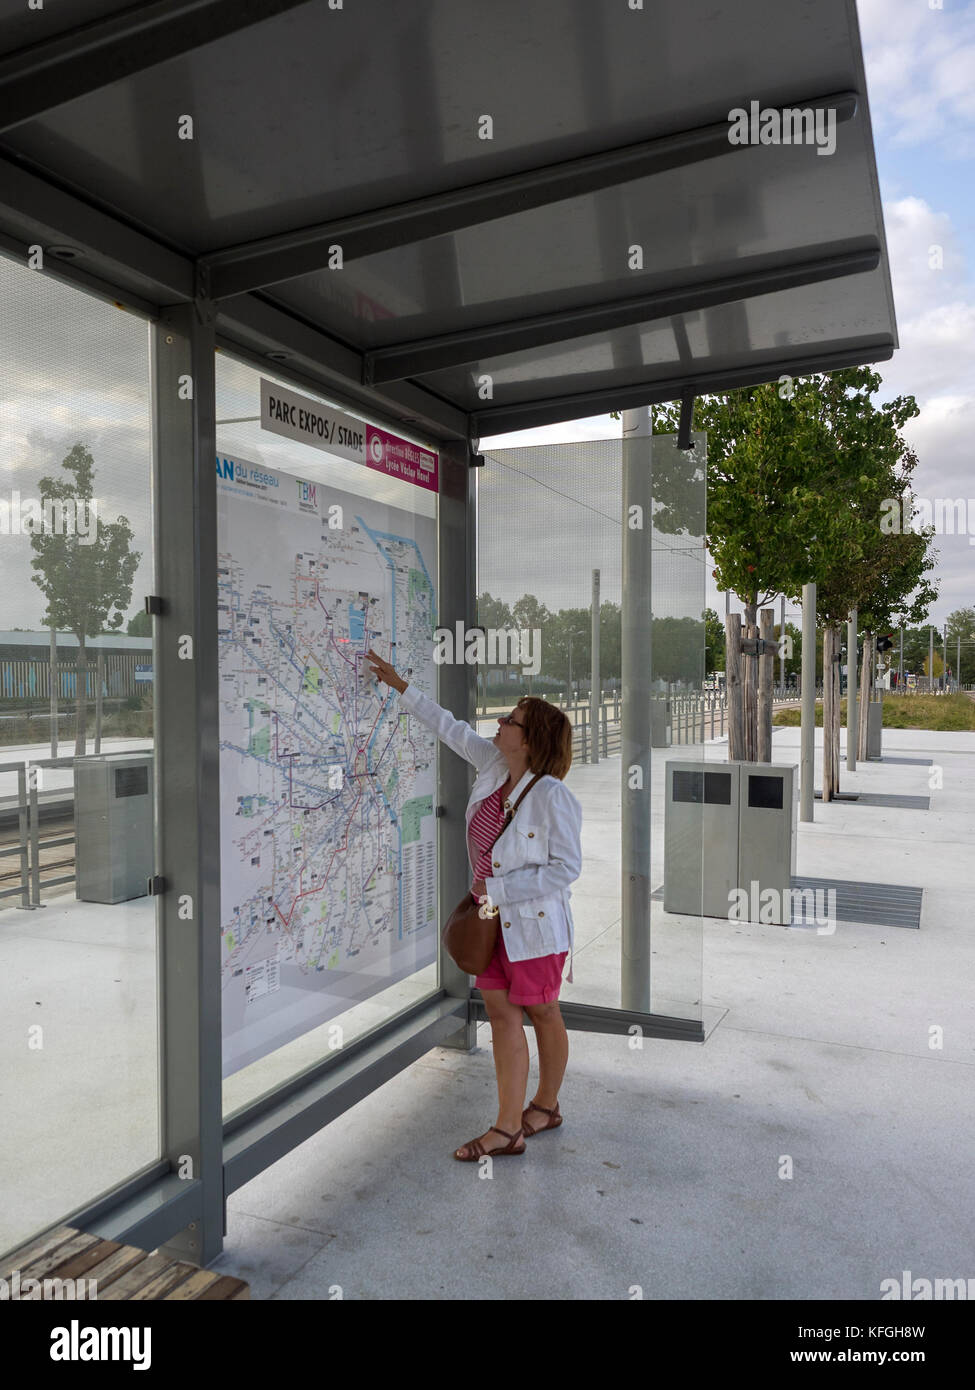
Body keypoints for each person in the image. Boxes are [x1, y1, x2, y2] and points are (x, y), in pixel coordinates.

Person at [365, 648, 582, 1162]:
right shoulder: (492, 767)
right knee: (503, 1014)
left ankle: (546, 1106)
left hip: (533, 925)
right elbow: (450, 727)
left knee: (544, 1012)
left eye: (512, 721)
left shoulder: (551, 795)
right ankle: (509, 1127)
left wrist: (499, 892)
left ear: (529, 742)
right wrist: (400, 686)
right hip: (491, 924)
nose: (501, 723)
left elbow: (566, 868)